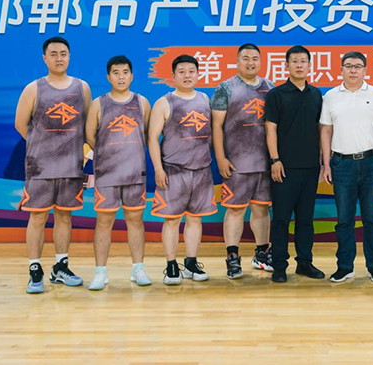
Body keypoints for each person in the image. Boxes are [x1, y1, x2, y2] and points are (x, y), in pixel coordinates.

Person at [15, 36, 91, 294]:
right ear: (45, 58)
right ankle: (34, 269)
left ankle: (61, 267)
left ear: (69, 57)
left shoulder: (82, 88)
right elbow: (20, 124)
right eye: (54, 54)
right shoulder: (34, 88)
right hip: (41, 167)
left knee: (64, 216)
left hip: (71, 166)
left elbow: (87, 126)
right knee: (37, 217)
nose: (59, 58)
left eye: (63, 53)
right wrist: (44, 146)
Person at [320, 52, 373, 283]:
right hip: (342, 164)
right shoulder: (331, 96)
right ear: (341, 69)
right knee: (344, 219)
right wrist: (326, 164)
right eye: (348, 66)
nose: (353, 70)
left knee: (372, 219)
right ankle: (344, 266)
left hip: (372, 162)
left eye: (358, 66)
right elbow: (326, 131)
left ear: (365, 70)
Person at [84, 55, 152, 290]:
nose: (121, 77)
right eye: (116, 73)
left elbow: (147, 135)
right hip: (106, 174)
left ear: (132, 76)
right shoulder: (98, 104)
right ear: (108, 77)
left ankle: (138, 268)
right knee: (104, 221)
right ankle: (100, 272)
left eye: (125, 72)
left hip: (135, 174)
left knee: (136, 220)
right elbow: (90, 136)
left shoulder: (142, 102)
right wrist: (108, 156)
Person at [148, 54, 216, 285]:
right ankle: (171, 266)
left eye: (191, 71)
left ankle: (190, 264)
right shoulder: (164, 102)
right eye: (182, 72)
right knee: (172, 221)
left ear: (198, 74)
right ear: (173, 76)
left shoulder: (205, 99)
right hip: (174, 171)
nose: (187, 76)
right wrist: (158, 169)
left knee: (195, 220)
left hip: (202, 171)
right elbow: (152, 138)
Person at [212, 44, 275, 279]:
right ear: (237, 61)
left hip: (264, 163)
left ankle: (261, 254)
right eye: (246, 58)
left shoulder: (270, 87)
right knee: (235, 210)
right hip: (236, 163)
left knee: (262, 208)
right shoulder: (226, 88)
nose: (251, 63)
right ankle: (232, 257)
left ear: (261, 61)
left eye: (255, 58)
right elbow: (216, 126)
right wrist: (220, 157)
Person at [264, 45, 325, 283]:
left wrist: (322, 160)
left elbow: (320, 129)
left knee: (306, 219)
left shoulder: (316, 94)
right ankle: (279, 266)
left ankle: (304, 262)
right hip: (284, 167)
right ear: (286, 65)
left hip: (310, 166)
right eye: (295, 61)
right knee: (281, 219)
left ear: (309, 65)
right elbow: (270, 129)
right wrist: (275, 159)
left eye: (303, 61)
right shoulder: (276, 94)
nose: (299, 65)